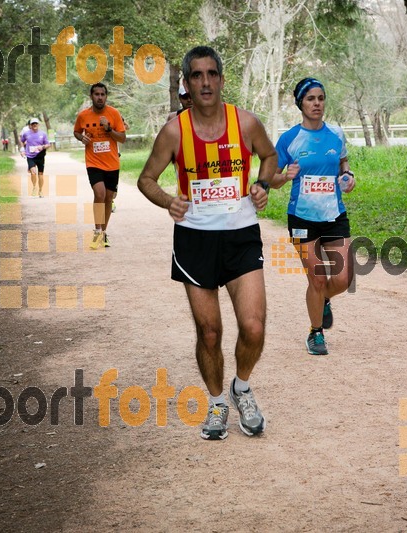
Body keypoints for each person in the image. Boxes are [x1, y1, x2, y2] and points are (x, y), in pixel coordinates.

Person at [137, 46, 277, 441]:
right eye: (196, 76)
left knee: (253, 326)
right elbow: (145, 179)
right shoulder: (174, 131)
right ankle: (217, 402)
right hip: (195, 240)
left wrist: (263, 184)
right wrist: (170, 201)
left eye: (211, 74)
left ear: (221, 79)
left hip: (240, 236)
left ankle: (242, 389)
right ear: (186, 83)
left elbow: (269, 156)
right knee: (210, 332)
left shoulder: (246, 123)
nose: (205, 82)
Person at [270, 77, 355, 356]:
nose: (317, 103)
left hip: (334, 215)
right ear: (300, 104)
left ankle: (325, 299)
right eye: (310, 99)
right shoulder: (289, 139)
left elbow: (343, 162)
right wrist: (284, 176)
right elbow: (270, 178)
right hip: (302, 218)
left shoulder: (336, 134)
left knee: (343, 279)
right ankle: (315, 333)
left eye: (320, 98)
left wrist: (347, 175)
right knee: (317, 279)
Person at [73, 83, 126, 249]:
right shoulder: (83, 116)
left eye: (103, 94)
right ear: (91, 96)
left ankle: (103, 232)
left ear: (106, 96)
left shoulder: (114, 114)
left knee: (109, 198)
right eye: (96, 94)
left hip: (112, 163)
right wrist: (82, 138)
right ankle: (97, 231)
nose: (100, 97)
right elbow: (76, 131)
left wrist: (109, 129)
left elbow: (122, 138)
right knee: (99, 193)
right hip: (93, 162)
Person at [20, 118, 51, 198]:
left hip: (40, 156)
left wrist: (42, 146)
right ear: (30, 125)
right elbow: (22, 141)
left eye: (36, 123)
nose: (34, 125)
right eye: (33, 124)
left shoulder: (43, 134)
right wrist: (22, 149)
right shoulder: (26, 134)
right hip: (30, 156)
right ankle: (34, 187)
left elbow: (48, 144)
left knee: (40, 174)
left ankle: (40, 191)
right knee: (33, 172)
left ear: (38, 125)